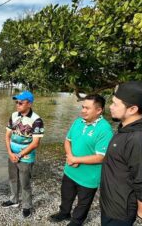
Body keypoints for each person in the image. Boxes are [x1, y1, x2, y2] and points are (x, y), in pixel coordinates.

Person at [100, 81, 142, 226]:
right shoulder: (125, 128)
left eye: (115, 104)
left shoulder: (141, 139)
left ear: (132, 109)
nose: (110, 106)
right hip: (110, 202)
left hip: (120, 210)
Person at [50, 94, 113, 226]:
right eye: (82, 107)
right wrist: (70, 157)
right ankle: (64, 213)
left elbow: (101, 156)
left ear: (99, 110)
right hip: (70, 170)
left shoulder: (105, 129)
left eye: (87, 108)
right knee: (66, 195)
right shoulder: (78, 121)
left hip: (88, 177)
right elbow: (68, 140)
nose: (83, 110)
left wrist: (76, 159)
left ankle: (76, 222)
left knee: (83, 202)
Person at [1, 90, 44, 218]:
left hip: (25, 157)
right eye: (16, 102)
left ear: (29, 104)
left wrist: (19, 155)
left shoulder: (36, 120)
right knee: (13, 179)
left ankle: (26, 206)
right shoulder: (14, 115)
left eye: (20, 102)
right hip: (12, 155)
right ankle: (14, 200)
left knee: (25, 183)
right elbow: (7, 136)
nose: (17, 105)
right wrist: (9, 152)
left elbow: (35, 143)